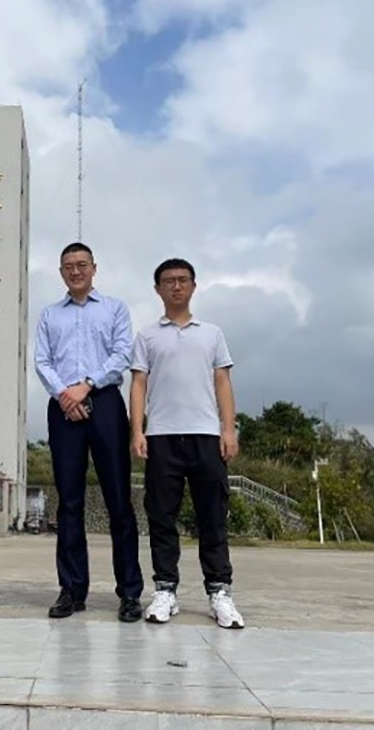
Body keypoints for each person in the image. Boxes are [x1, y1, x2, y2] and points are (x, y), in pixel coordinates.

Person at [129, 258, 245, 629]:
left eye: (182, 280)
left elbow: (222, 381)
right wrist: (137, 431)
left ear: (193, 286)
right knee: (161, 517)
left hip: (206, 435)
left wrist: (228, 429)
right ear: (158, 289)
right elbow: (139, 384)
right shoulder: (147, 336)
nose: (176, 286)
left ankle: (219, 591)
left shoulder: (212, 334)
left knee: (212, 516)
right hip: (162, 436)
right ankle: (165, 589)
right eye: (169, 281)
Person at [34, 242, 144, 622]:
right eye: (69, 266)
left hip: (106, 403)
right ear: (61, 271)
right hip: (63, 407)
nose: (76, 271)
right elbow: (42, 361)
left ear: (94, 268)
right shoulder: (50, 315)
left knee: (119, 500)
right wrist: (66, 395)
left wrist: (87, 385)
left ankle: (129, 592)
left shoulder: (114, 308)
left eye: (82, 264)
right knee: (69, 502)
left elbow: (122, 354)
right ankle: (71, 589)